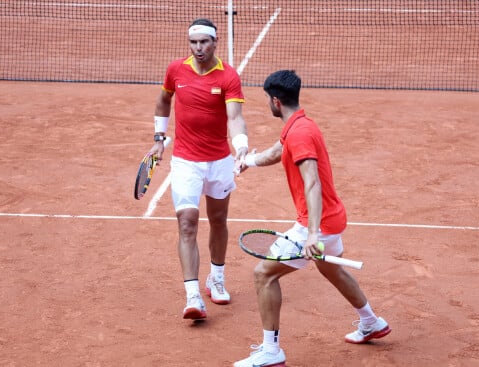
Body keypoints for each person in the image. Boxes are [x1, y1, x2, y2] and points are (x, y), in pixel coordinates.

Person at [233, 70, 390, 367]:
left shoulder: (301, 134)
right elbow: (277, 152)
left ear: (276, 102)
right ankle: (372, 322)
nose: (268, 103)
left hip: (316, 225)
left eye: (268, 99)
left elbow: (312, 183)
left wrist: (313, 234)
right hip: (331, 217)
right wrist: (247, 161)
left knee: (263, 275)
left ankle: (271, 350)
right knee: (331, 269)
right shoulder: (298, 125)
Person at [148, 18, 249, 320]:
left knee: (218, 221)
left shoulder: (228, 76)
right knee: (188, 223)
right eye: (193, 42)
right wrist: (158, 138)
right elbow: (164, 100)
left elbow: (235, 117)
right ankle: (193, 296)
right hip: (185, 161)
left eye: (204, 42)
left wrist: (241, 146)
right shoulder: (176, 70)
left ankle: (216, 278)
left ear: (215, 42)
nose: (198, 48)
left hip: (219, 161)